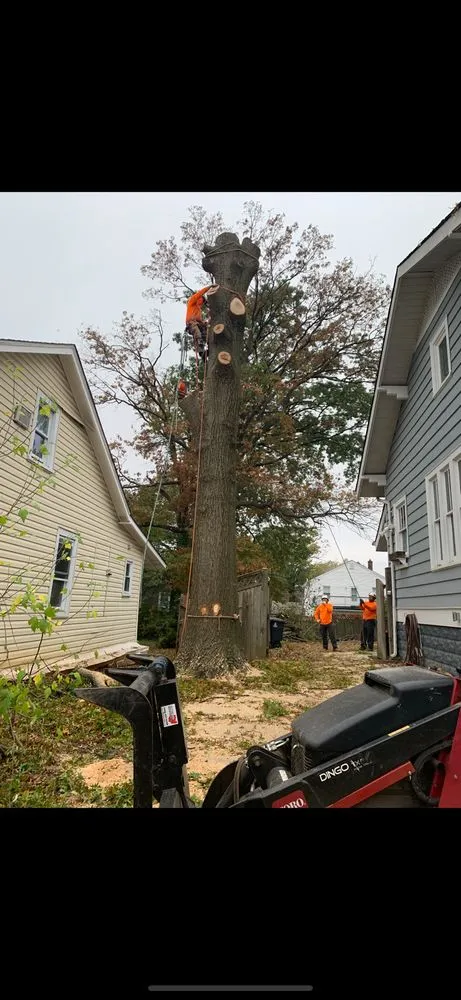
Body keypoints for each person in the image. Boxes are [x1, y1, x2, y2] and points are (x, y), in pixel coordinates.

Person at [185, 285, 214, 359]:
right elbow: (199, 294)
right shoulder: (192, 302)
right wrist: (208, 287)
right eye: (201, 300)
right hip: (191, 323)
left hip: (198, 324)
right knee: (197, 333)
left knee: (207, 334)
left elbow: (201, 321)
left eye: (203, 302)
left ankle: (210, 349)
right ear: (199, 299)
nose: (202, 303)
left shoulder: (199, 310)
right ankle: (201, 351)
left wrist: (207, 322)